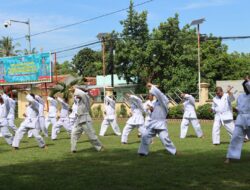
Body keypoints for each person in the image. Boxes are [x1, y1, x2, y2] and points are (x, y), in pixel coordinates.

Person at [138, 83, 176, 156]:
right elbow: (154, 111)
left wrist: (152, 86)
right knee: (145, 136)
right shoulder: (155, 102)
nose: (153, 94)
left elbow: (159, 94)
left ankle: (174, 152)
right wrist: (151, 109)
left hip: (161, 124)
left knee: (165, 139)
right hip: (153, 123)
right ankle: (142, 152)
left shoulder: (164, 100)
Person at [70, 86, 103, 153]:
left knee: (91, 135)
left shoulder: (85, 97)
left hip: (85, 119)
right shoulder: (80, 100)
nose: (76, 96)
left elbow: (82, 94)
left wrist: (76, 88)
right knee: (74, 133)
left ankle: (100, 147)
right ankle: (73, 149)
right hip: (79, 118)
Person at [225, 77, 250, 163]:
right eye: (245, 86)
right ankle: (230, 157)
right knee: (235, 138)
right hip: (240, 119)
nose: (246, 88)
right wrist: (236, 109)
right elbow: (240, 107)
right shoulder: (241, 96)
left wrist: (247, 81)